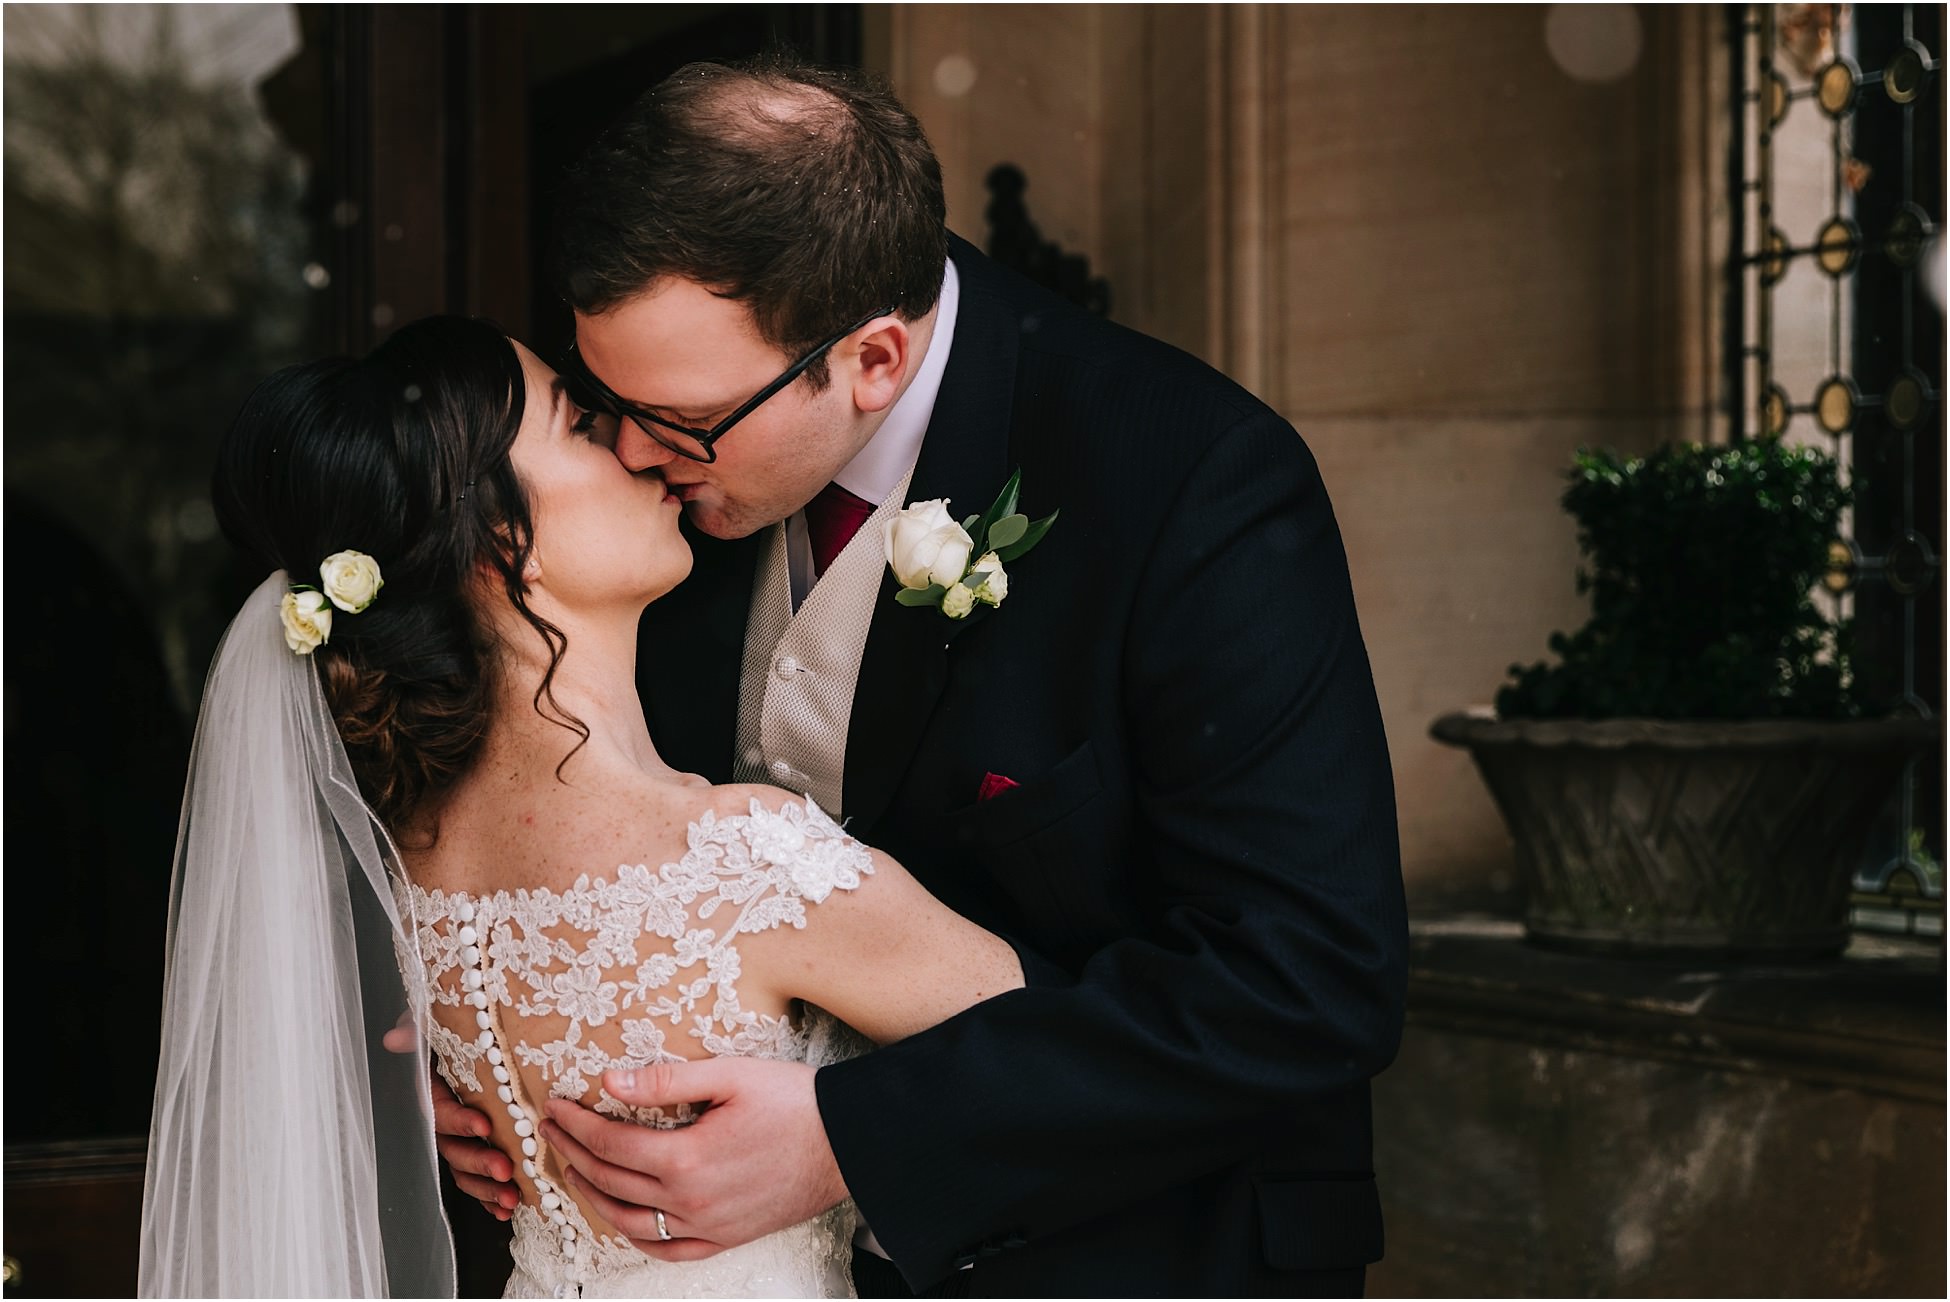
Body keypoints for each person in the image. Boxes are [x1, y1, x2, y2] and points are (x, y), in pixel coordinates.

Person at [436, 58, 1409, 1298]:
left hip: (1128, 1260)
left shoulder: (1189, 479)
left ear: (875, 360)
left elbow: (1306, 982)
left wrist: (854, 1141)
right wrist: (493, 1038)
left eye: (680, 422)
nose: (631, 452)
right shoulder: (649, 498)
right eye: (602, 400)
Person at [138, 314, 1023, 1298]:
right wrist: (847, 1139)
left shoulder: (407, 870)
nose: (641, 448)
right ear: (502, 540)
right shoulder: (744, 865)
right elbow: (1065, 1076)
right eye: (584, 425)